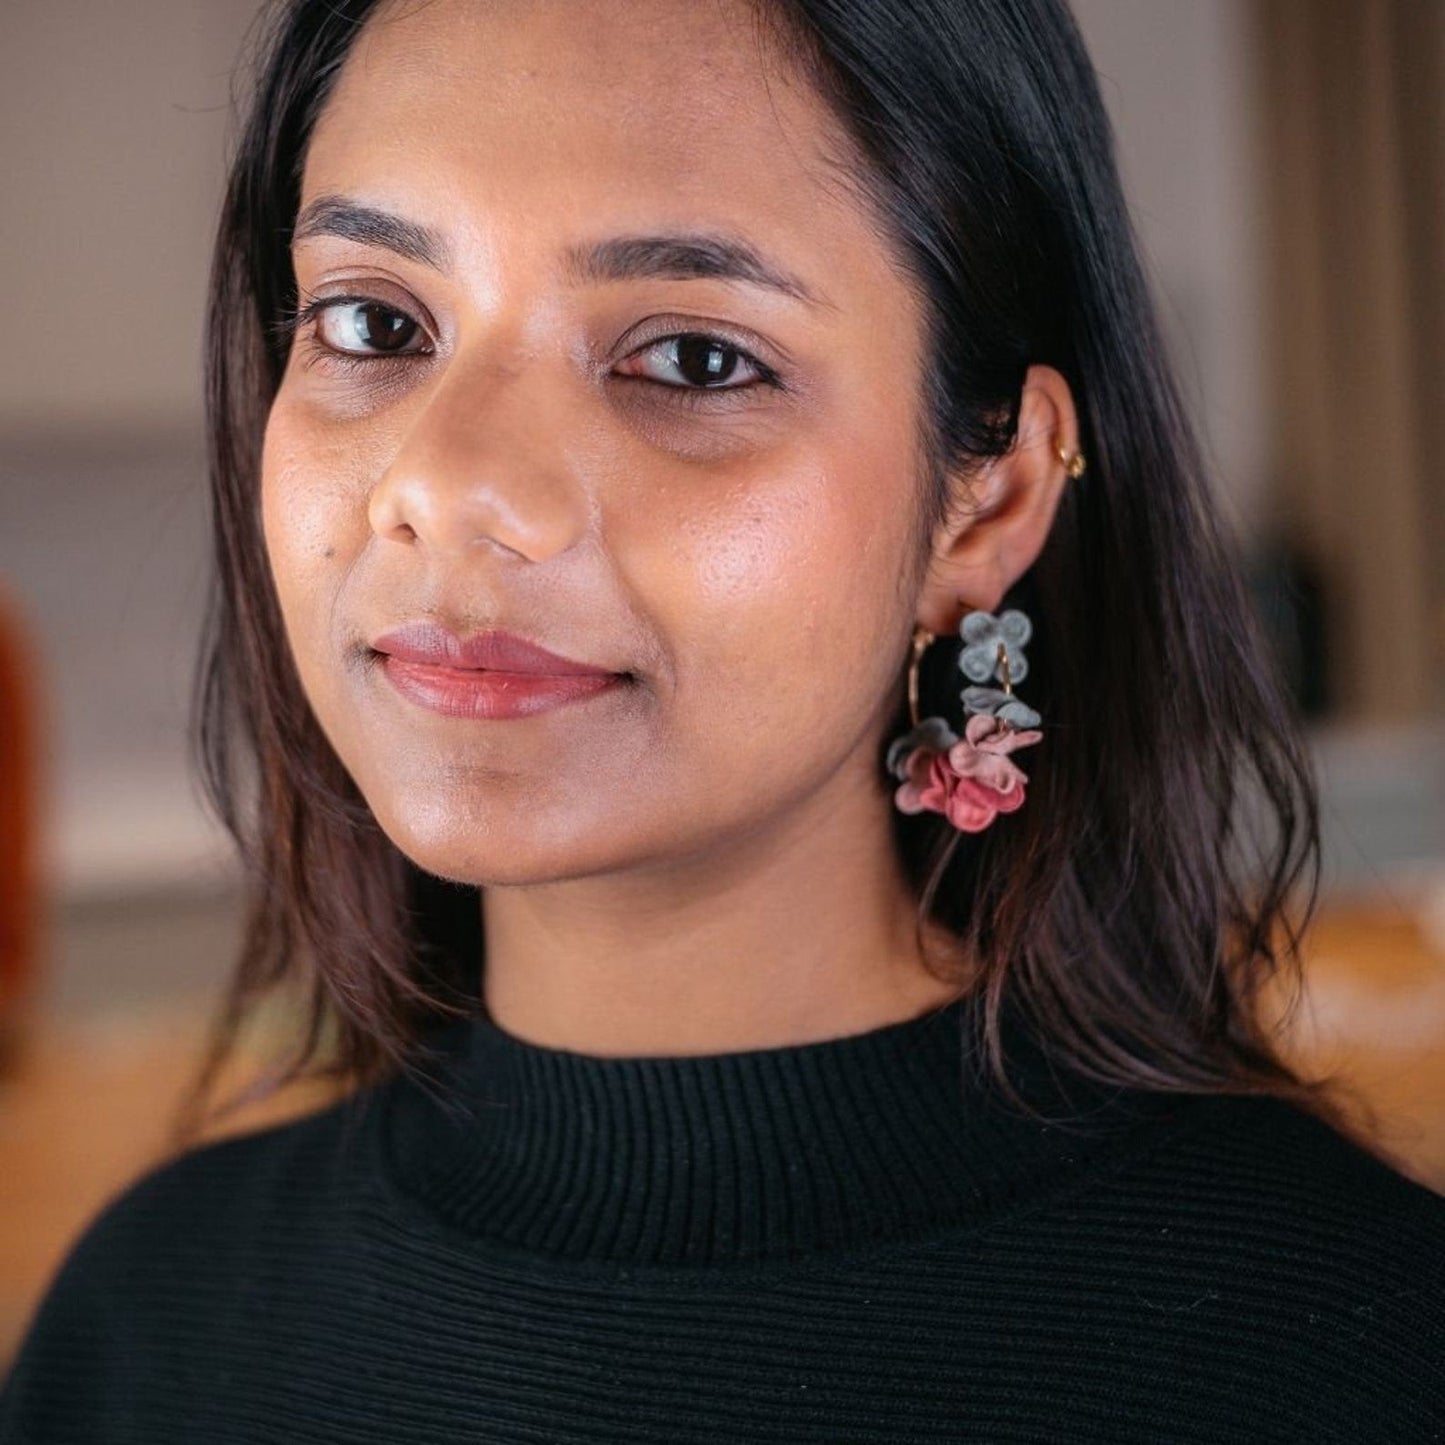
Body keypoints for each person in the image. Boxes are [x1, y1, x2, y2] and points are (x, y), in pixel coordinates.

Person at [3, 0, 1441, 1438]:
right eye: (374, 322)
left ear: (987, 499)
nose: (448, 482)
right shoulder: (144, 1334)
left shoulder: (1355, 1349)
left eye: (693, 358)